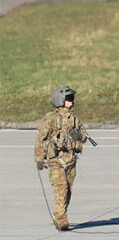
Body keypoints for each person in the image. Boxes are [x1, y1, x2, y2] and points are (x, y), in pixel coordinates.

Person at [34, 86, 89, 231]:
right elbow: (41, 139)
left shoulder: (74, 119)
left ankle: (60, 213)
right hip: (56, 160)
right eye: (69, 99)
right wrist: (39, 159)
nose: (72, 102)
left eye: (72, 99)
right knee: (61, 188)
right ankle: (61, 218)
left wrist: (80, 137)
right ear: (61, 100)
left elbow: (84, 136)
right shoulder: (51, 119)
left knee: (68, 190)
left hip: (71, 159)